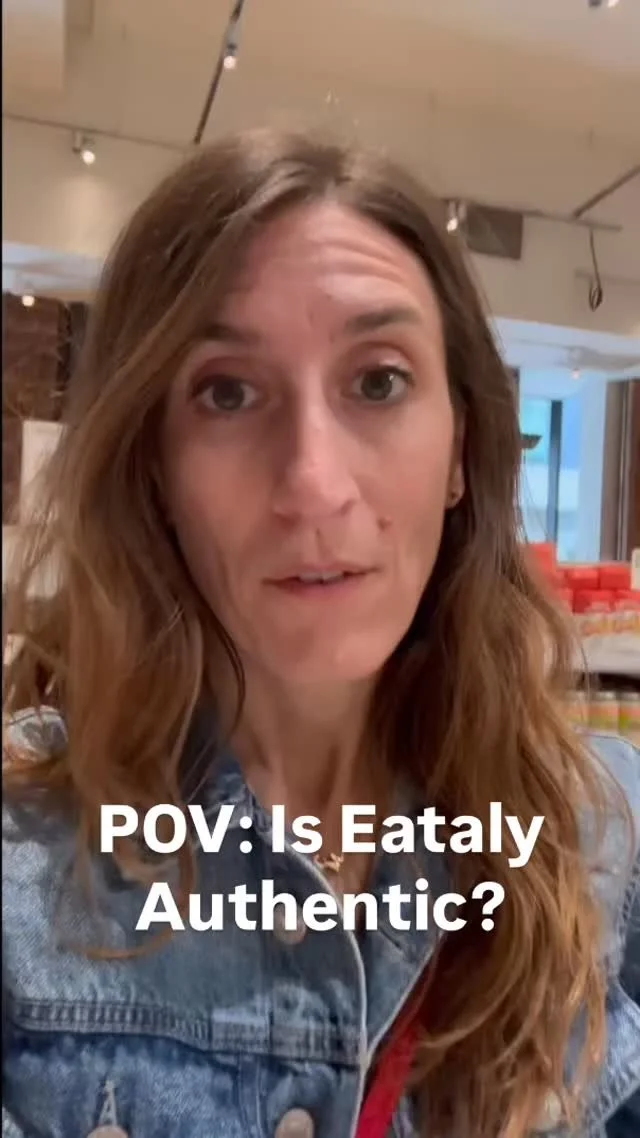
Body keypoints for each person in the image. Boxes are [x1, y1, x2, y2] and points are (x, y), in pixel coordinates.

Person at [2, 128, 639, 1138]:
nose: (312, 483)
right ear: (153, 469)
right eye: (227, 391)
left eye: (378, 381)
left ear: (460, 449)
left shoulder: (598, 841)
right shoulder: (23, 876)